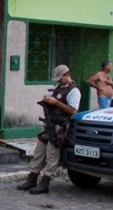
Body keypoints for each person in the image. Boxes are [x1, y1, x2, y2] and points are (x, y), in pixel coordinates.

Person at [17, 64, 81, 195]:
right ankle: (32, 178)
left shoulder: (74, 91)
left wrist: (55, 102)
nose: (58, 81)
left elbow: (73, 110)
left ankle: (44, 183)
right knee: (39, 152)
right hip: (48, 125)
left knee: (52, 155)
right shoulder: (59, 87)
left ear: (67, 75)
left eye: (60, 78)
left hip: (59, 127)